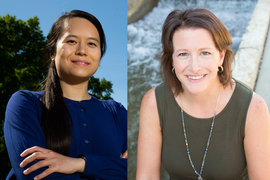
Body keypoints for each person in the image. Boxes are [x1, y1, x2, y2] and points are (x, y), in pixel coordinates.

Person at [136, 8, 270, 180]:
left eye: (204, 53)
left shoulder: (253, 108)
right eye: (183, 54)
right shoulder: (153, 102)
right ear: (172, 61)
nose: (194, 67)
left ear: (221, 57)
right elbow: (146, 176)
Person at [4, 10, 127, 180]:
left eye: (92, 44)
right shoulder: (26, 104)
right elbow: (36, 176)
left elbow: (143, 169)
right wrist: (113, 168)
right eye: (72, 41)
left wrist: (80, 164)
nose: (82, 50)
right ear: (52, 52)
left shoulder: (117, 113)